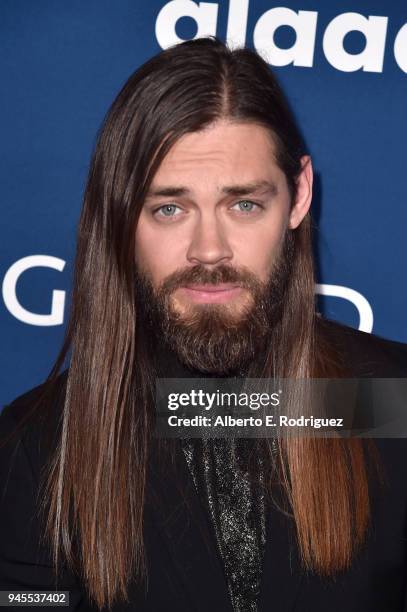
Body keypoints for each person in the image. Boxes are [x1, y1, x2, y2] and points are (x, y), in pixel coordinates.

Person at [1, 37, 407, 612]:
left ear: (299, 196)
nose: (209, 250)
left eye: (243, 204)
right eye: (170, 208)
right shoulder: (36, 451)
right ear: (120, 216)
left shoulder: (392, 404)